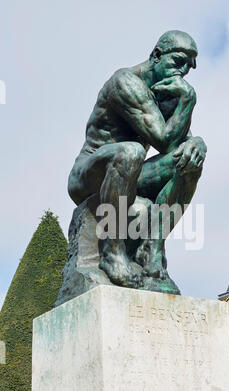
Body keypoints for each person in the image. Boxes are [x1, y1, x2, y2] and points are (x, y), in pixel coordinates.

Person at [68, 30, 207, 290]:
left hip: (130, 174)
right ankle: (113, 254)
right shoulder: (126, 82)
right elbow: (164, 140)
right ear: (156, 55)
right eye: (179, 61)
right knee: (131, 151)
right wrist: (189, 99)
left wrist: (198, 144)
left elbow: (180, 143)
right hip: (89, 176)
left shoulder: (169, 93)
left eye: (189, 66)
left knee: (189, 162)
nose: (184, 71)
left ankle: (151, 254)